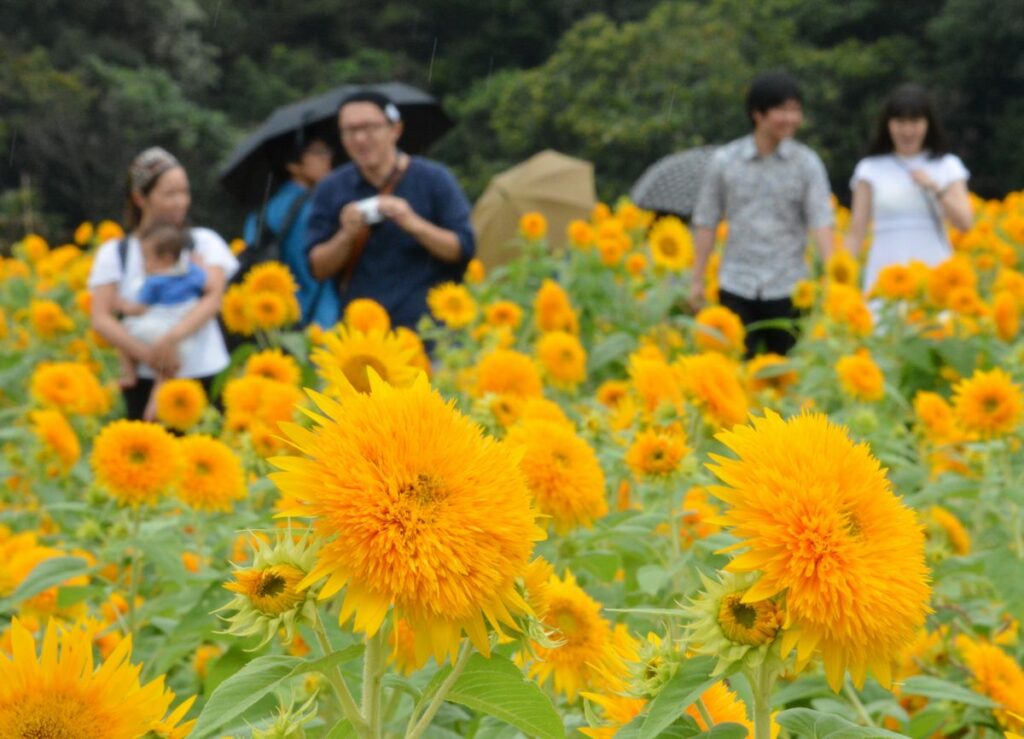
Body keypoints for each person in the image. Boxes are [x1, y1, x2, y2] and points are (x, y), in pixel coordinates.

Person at [691, 72, 834, 357]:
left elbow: (821, 220)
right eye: (782, 110)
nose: (791, 118)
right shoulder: (725, 161)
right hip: (736, 283)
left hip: (789, 286)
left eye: (796, 110)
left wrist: (834, 275)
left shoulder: (806, 163)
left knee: (788, 375)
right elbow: (706, 220)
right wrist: (696, 278)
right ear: (757, 113)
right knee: (735, 368)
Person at [89, 147, 239, 420]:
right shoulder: (115, 253)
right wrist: (151, 356)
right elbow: (101, 317)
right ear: (139, 197)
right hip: (144, 381)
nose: (181, 202)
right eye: (170, 193)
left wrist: (171, 339)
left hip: (205, 373)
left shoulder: (204, 242)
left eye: (185, 192)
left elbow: (213, 298)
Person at [307, 90, 475, 330]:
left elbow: (464, 248)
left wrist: (413, 223)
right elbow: (317, 268)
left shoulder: (434, 179)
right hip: (362, 338)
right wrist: (345, 235)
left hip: (432, 333)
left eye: (370, 127)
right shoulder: (331, 188)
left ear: (395, 130)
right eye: (350, 130)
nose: (360, 138)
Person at [845, 84, 973, 295]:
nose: (907, 131)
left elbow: (965, 223)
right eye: (900, 122)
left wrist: (935, 188)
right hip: (884, 268)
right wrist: (840, 278)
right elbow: (856, 233)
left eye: (915, 122)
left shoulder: (947, 165)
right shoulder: (869, 168)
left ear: (927, 124)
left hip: (935, 269)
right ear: (888, 125)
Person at [242, 133, 338, 327]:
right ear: (293, 165)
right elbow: (316, 269)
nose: (328, 158)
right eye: (318, 152)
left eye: (327, 151)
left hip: (271, 318)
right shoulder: (315, 209)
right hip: (318, 319)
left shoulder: (260, 211)